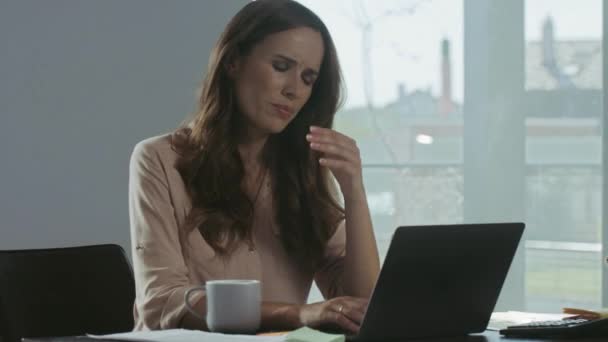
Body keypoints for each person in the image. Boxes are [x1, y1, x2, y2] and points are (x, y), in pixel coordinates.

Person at [128, 0, 380, 334]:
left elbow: (361, 307)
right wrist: (300, 314)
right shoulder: (158, 160)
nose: (293, 90)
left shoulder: (305, 171)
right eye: (280, 66)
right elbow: (163, 302)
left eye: (307, 78)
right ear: (233, 60)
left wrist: (355, 194)